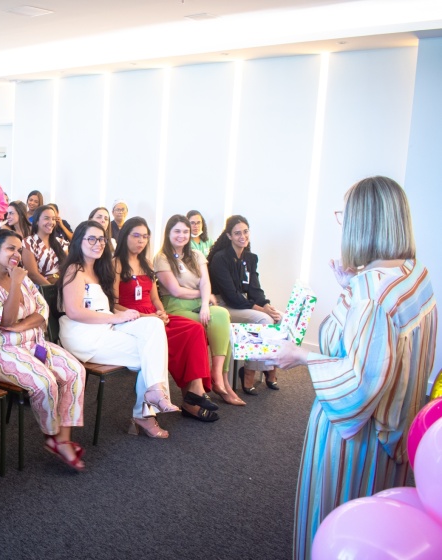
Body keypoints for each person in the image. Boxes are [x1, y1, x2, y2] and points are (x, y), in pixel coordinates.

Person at [266, 177, 438, 560]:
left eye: (345, 215)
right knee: (384, 522)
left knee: (339, 520)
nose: (341, 224)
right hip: (398, 427)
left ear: (364, 222)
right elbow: (387, 349)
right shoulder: (415, 274)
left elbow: (359, 383)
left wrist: (301, 356)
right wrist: (350, 288)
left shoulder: (373, 293)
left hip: (357, 440)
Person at [0, 230, 87, 470]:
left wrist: (18, 325)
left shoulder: (23, 278)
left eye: (19, 249)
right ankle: (51, 436)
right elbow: (6, 317)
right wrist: (14, 284)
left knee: (75, 371)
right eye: (10, 248)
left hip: (32, 343)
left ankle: (62, 439)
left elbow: (42, 312)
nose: (16, 254)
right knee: (44, 382)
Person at [58, 220, 179, 439]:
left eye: (102, 239)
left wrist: (126, 317)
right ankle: (146, 412)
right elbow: (74, 311)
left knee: (154, 326)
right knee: (150, 355)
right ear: (79, 241)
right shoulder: (74, 270)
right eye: (91, 239)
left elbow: (108, 307)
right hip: (83, 334)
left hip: (104, 326)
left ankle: (152, 395)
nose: (98, 243)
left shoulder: (98, 269)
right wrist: (116, 317)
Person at [114, 217, 219, 421]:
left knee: (195, 329)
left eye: (145, 236)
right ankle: (192, 400)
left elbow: (154, 297)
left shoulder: (146, 262)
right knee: (177, 338)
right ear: (125, 236)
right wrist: (149, 316)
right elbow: (114, 304)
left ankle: (195, 391)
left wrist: (161, 312)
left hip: (153, 314)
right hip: (133, 318)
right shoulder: (115, 264)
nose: (141, 241)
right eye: (136, 235)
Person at [155, 215, 244, 406]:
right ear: (168, 233)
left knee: (221, 315)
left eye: (185, 231)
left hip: (199, 304)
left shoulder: (196, 255)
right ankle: (220, 383)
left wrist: (205, 304)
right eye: (177, 231)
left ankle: (218, 377)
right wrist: (203, 295)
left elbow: (206, 282)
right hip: (176, 306)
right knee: (214, 321)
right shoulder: (162, 257)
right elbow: (175, 291)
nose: (182, 235)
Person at [208, 215, 282, 395]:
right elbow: (231, 296)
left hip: (242, 303)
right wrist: (260, 309)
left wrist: (267, 305)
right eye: (237, 233)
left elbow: (255, 289)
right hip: (223, 304)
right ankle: (249, 371)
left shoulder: (250, 258)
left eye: (245, 231)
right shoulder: (220, 259)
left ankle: (270, 367)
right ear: (229, 236)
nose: (242, 236)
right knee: (263, 320)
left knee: (279, 318)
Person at [23, 205, 68, 286]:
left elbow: (69, 268)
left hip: (62, 286)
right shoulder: (29, 242)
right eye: (46, 218)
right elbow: (33, 274)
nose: (51, 222)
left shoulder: (61, 242)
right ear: (36, 221)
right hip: (41, 290)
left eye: (53, 219)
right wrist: (53, 290)